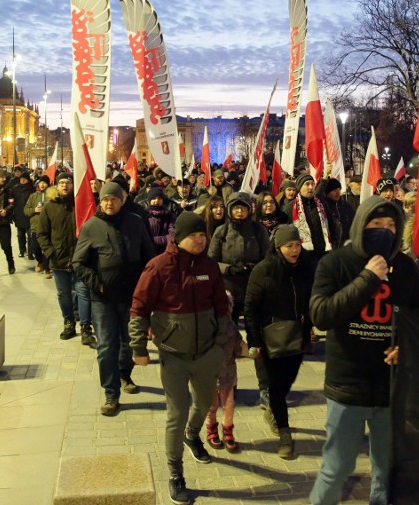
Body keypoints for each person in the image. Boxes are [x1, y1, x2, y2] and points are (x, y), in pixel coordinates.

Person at [309, 196, 419, 505]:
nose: (385, 230)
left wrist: (407, 344)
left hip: (392, 387)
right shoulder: (335, 262)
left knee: (387, 470)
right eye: (376, 224)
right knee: (336, 468)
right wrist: (368, 278)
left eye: (392, 225)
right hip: (348, 386)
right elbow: (321, 315)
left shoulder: (405, 267)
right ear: (361, 225)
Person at [129, 212, 229, 505]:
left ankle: (193, 435)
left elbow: (222, 307)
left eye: (203, 236)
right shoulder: (158, 267)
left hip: (207, 353)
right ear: (178, 237)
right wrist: (138, 349)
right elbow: (139, 308)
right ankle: (176, 472)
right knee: (177, 413)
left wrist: (220, 343)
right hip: (172, 356)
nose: (200, 241)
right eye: (194, 236)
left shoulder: (210, 266)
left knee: (204, 404)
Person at [73, 182, 155, 416]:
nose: (109, 203)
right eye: (105, 199)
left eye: (114, 199)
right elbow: (78, 262)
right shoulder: (92, 227)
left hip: (132, 297)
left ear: (122, 201)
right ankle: (111, 393)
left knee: (129, 342)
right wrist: (95, 282)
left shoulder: (136, 223)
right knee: (107, 346)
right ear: (101, 201)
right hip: (103, 299)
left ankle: (124, 374)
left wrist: (148, 286)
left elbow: (149, 257)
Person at [243, 225, 314, 459]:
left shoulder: (306, 267)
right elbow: (250, 308)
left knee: (286, 383)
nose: (294, 250)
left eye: (297, 245)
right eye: (288, 246)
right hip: (269, 337)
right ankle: (284, 432)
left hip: (296, 335)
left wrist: (310, 326)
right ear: (278, 247)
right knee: (275, 385)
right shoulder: (264, 271)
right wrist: (254, 339)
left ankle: (273, 406)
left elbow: (312, 299)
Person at [38, 173, 93, 344]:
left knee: (83, 293)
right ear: (56, 185)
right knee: (63, 294)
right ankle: (68, 323)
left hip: (80, 258)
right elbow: (42, 234)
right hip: (59, 259)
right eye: (61, 182)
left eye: (68, 182)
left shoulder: (80, 204)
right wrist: (50, 252)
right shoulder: (49, 207)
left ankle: (85, 327)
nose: (64, 186)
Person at [209, 192, 270, 324]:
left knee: (255, 324)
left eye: (243, 208)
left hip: (253, 284)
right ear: (230, 210)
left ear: (249, 210)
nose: (240, 211)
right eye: (236, 208)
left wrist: (253, 267)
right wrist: (228, 269)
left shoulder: (258, 230)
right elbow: (211, 261)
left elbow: (268, 257)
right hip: (228, 287)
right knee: (229, 325)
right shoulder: (221, 231)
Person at [205, 291, 244, 453]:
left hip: (228, 372)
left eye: (227, 307)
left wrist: (254, 352)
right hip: (210, 372)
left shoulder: (232, 327)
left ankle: (228, 431)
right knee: (211, 404)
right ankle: (211, 429)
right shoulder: (207, 328)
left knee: (229, 404)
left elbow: (239, 345)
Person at [283, 174, 338, 263]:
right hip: (302, 258)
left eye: (313, 184)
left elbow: (332, 226)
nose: (311, 187)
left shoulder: (321, 204)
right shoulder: (290, 208)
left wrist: (334, 246)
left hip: (324, 254)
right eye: (307, 184)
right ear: (299, 187)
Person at [139, 187, 179, 255]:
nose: (157, 201)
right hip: (146, 253)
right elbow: (141, 237)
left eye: (159, 198)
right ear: (149, 200)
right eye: (154, 198)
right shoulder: (143, 216)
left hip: (165, 252)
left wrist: (152, 240)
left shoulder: (169, 216)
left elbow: (172, 236)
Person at [24, 176, 50, 276]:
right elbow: (26, 210)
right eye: (41, 183)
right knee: (35, 247)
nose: (42, 185)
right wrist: (34, 210)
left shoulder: (51, 195)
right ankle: (40, 262)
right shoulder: (33, 196)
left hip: (48, 226)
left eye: (45, 183)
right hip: (35, 226)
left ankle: (47, 269)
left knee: (47, 248)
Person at [319, 177, 355, 242]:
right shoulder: (323, 207)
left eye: (339, 189)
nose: (338, 192)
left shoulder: (347, 206)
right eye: (334, 190)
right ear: (327, 192)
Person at [10, 172, 35, 258]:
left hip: (29, 214)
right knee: (20, 234)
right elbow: (11, 201)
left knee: (30, 235)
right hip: (19, 214)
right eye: (21, 179)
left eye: (24, 179)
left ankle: (31, 252)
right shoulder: (15, 188)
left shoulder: (32, 189)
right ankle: (22, 250)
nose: (22, 180)